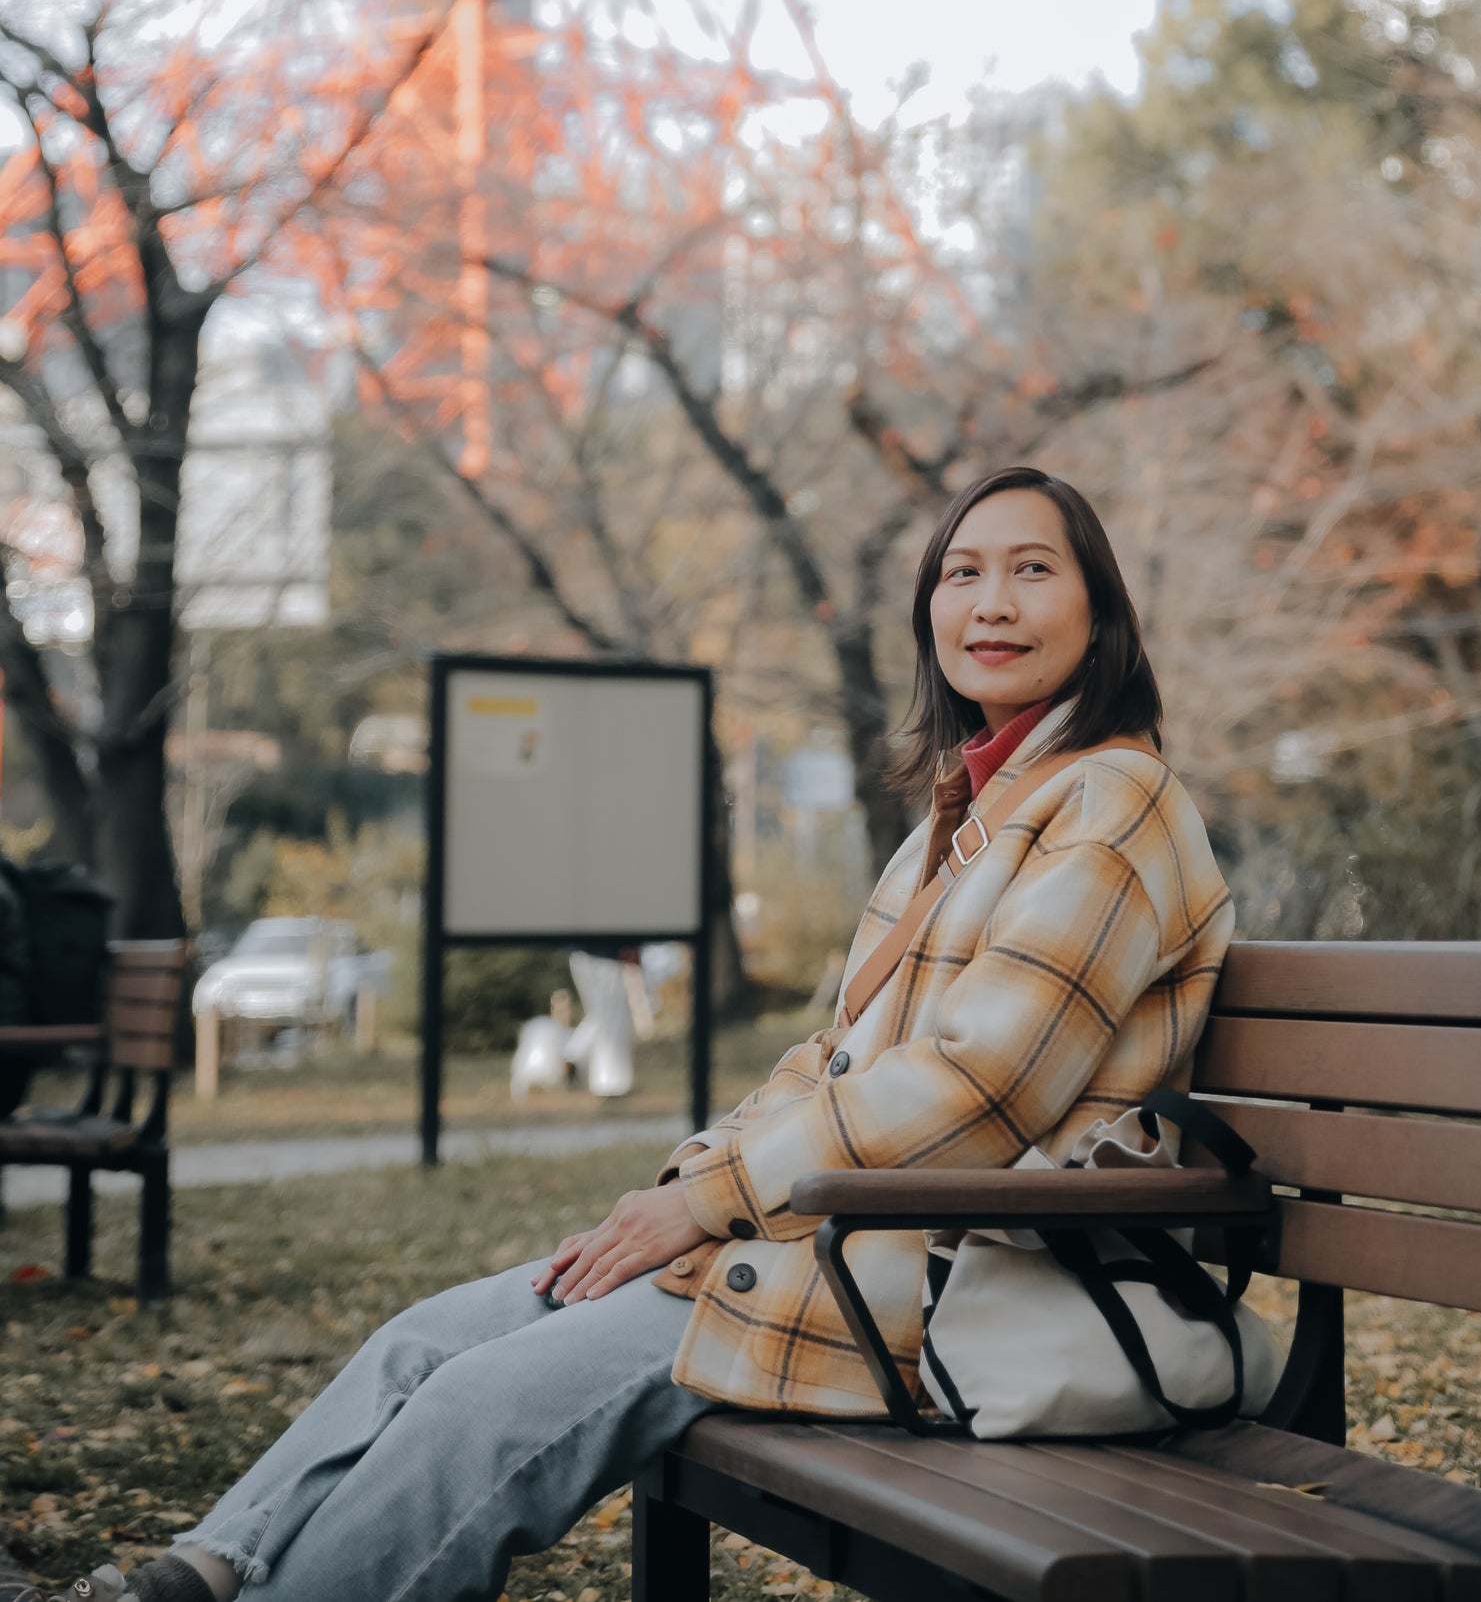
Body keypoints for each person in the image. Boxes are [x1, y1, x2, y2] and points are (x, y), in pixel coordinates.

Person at [8, 466, 1233, 1602]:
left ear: (1097, 608)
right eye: (961, 572)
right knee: (425, 1337)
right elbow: (834, 1055)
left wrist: (709, 1208)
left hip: (941, 1278)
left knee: (481, 1402)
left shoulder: (1111, 801)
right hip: (842, 1235)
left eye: (1033, 568)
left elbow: (984, 1083)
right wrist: (688, 1190)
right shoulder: (965, 813)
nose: (990, 602)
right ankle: (205, 1571)